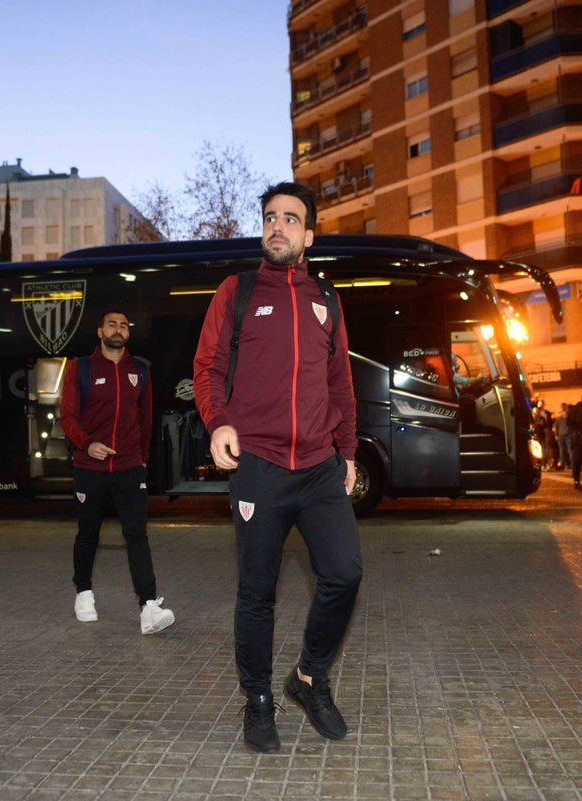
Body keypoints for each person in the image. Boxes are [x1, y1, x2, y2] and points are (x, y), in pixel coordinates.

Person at [193, 181, 361, 753]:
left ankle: (309, 679)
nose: (278, 227)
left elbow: (340, 381)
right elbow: (208, 367)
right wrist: (218, 421)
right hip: (259, 466)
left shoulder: (327, 300)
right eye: (270, 217)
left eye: (291, 219)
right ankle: (258, 700)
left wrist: (350, 450)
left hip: (318, 466)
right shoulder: (236, 293)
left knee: (344, 575)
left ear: (308, 235)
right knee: (256, 594)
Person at [60, 309, 175, 635]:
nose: (119, 329)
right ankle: (83, 593)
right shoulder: (80, 368)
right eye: (112, 324)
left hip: (128, 468)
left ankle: (148, 607)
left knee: (137, 535)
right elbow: (67, 417)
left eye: (124, 325)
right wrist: (86, 445)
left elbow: (146, 420)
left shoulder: (139, 370)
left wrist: (142, 460)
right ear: (100, 331)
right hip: (89, 467)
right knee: (88, 534)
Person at [555, 403, 571, 471]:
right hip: (561, 435)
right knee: (561, 451)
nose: (563, 408)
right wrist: (556, 435)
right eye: (562, 407)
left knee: (570, 450)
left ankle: (571, 465)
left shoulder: (569, 415)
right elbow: (556, 426)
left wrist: (567, 417)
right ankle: (562, 465)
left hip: (568, 435)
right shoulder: (559, 415)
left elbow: (571, 423)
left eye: (564, 407)